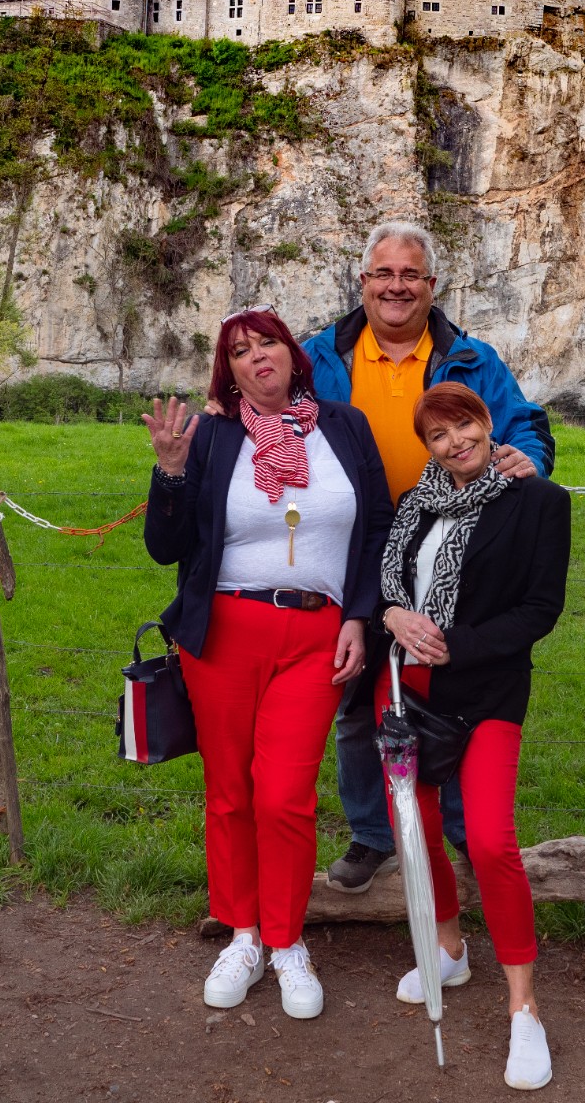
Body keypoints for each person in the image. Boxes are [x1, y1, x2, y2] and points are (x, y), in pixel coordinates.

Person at [141, 308, 392, 1021]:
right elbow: (164, 547)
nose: (257, 356)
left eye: (267, 343)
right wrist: (170, 472)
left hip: (316, 636)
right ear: (229, 372)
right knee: (230, 794)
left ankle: (287, 941)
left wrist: (359, 616)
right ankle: (243, 936)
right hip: (223, 632)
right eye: (240, 350)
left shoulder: (345, 427)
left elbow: (377, 525)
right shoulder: (213, 435)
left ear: (291, 353)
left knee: (284, 795)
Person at [301, 220, 555, 892]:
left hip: (450, 539)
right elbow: (269, 413)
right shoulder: (318, 357)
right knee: (360, 696)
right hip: (353, 544)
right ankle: (373, 834)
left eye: (409, 274)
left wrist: (528, 457)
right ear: (363, 281)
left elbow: (523, 421)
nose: (396, 286)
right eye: (383, 273)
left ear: (431, 285)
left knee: (452, 684)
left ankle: (463, 833)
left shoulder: (471, 359)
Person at [367, 382, 567, 1090]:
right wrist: (391, 617)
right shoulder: (412, 505)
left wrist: (457, 646)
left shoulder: (538, 501)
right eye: (438, 435)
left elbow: (540, 610)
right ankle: (449, 948)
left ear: (486, 422)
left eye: (464, 425)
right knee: (416, 830)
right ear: (427, 447)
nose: (455, 442)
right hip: (405, 690)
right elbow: (388, 586)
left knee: (487, 838)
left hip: (486, 692)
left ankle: (524, 1008)